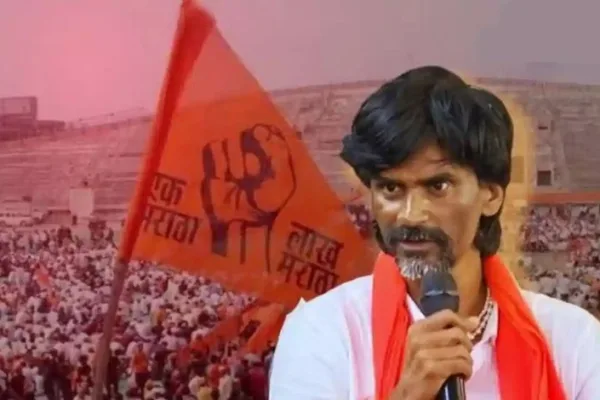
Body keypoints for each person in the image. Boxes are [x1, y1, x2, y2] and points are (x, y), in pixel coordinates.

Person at [268, 66, 600, 399]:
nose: (411, 215)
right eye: (391, 188)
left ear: (491, 196)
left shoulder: (572, 341)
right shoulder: (323, 331)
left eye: (438, 186)